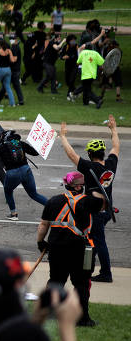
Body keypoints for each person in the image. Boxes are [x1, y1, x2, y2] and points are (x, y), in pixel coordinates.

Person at [37, 172, 104, 327]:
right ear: (81, 186)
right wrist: (95, 189)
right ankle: (82, 319)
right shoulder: (89, 201)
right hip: (80, 250)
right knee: (81, 283)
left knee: (55, 281)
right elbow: (104, 203)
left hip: (57, 249)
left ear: (67, 185)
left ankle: (50, 314)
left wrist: (41, 242)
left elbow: (43, 226)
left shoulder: (53, 201)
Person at [59, 116, 119, 283]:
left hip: (95, 211)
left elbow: (71, 154)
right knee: (94, 238)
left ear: (90, 154)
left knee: (98, 241)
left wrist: (62, 136)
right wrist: (113, 129)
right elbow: (116, 146)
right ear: (103, 153)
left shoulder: (90, 167)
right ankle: (88, 264)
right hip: (107, 209)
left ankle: (105, 273)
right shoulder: (111, 164)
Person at [0, 130, 47, 220]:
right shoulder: (20, 143)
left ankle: (13, 214)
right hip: (26, 170)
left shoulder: (1, 147)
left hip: (12, 173)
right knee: (34, 194)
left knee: (8, 191)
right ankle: (52, 206)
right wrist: (40, 144)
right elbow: (35, 153)